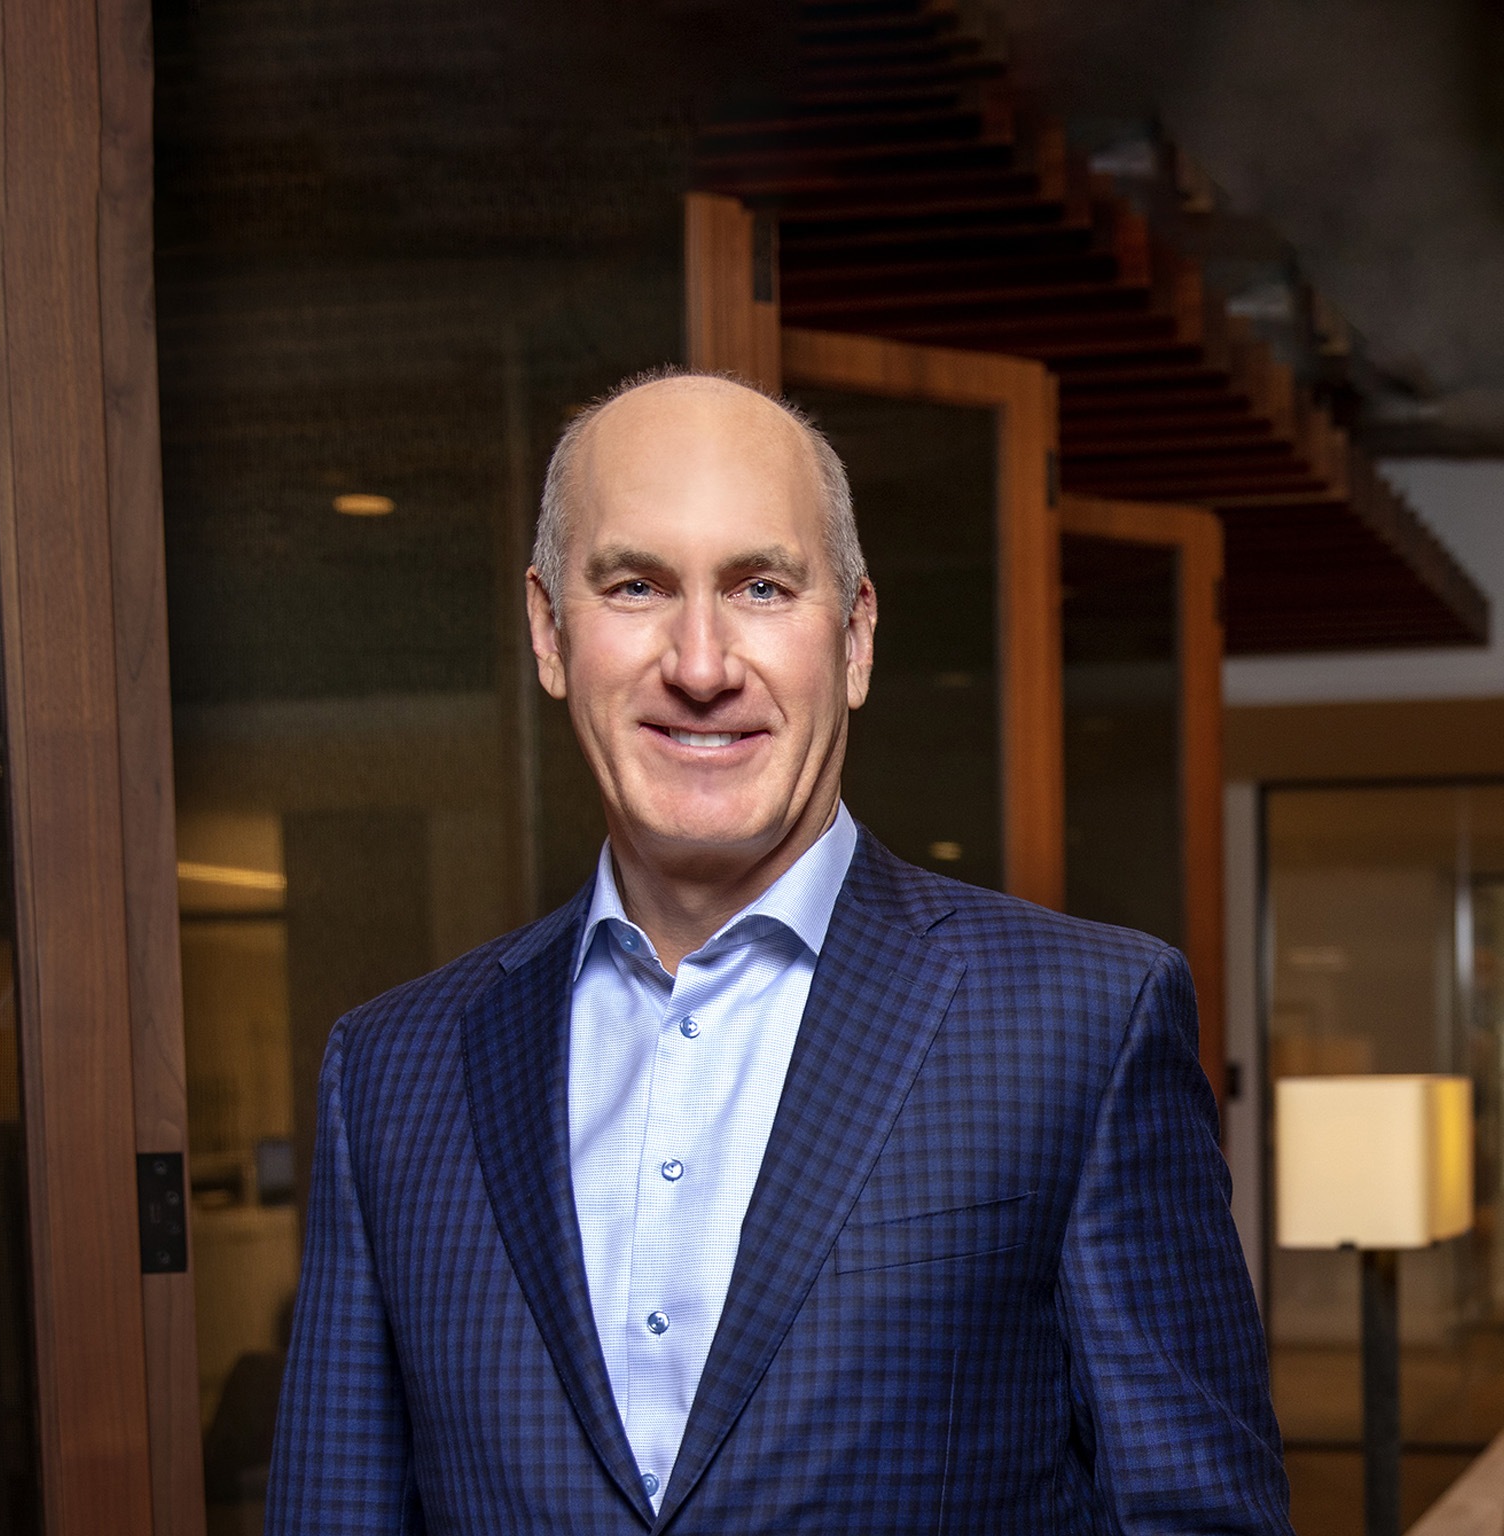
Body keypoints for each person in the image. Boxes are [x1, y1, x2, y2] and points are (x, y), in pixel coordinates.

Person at [265, 370, 1293, 1533]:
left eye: (759, 586)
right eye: (637, 585)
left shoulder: (1086, 1022)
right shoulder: (393, 1072)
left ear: (853, 636)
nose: (701, 665)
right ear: (551, 633)